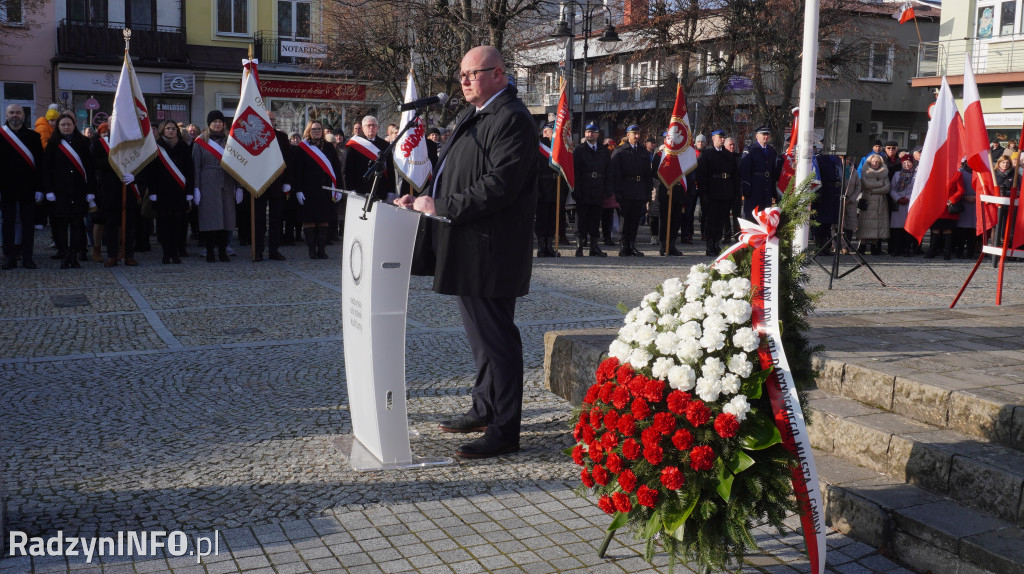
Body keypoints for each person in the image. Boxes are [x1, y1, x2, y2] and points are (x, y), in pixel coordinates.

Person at [395, 45, 537, 459]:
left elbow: (500, 185)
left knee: (498, 341)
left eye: (473, 73)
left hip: (490, 249)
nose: (464, 81)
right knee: (481, 340)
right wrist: (421, 198)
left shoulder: (512, 119)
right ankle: (483, 408)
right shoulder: (476, 116)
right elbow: (448, 174)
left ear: (499, 74)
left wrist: (442, 207)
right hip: (466, 245)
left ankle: (504, 429)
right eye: (461, 75)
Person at [44, 112, 95, 269]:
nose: (66, 127)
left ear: (74, 126)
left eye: (69, 124)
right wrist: (48, 190)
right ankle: (64, 255)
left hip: (79, 191)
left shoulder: (84, 143)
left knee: (77, 225)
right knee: (60, 225)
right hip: (60, 192)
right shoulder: (53, 144)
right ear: (58, 127)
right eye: (63, 125)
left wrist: (90, 190)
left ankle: (74, 255)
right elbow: (46, 169)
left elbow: (90, 168)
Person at [192, 110, 243, 263]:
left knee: (226, 219)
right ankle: (209, 252)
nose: (217, 124)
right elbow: (196, 166)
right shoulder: (201, 141)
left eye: (220, 121)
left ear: (224, 124)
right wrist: (196, 187)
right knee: (210, 219)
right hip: (207, 182)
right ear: (209, 124)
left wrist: (239, 186)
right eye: (214, 121)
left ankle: (223, 251)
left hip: (226, 182)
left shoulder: (230, 141)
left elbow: (237, 165)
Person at [143, 120, 193, 264]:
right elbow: (151, 171)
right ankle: (166, 253)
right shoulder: (156, 147)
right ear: (162, 130)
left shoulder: (184, 147)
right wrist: (152, 191)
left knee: (179, 224)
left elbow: (189, 170)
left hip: (179, 191)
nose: (171, 131)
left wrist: (189, 191)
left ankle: (176, 252)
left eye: (173, 129)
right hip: (162, 192)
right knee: (163, 224)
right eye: (168, 128)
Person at [93, 121, 141, 267]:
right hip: (110, 189)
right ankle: (112, 255)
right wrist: (115, 162)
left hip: (128, 187)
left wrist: (135, 176)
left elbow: (142, 163)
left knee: (129, 225)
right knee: (111, 225)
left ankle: (128, 255)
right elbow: (95, 162)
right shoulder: (100, 143)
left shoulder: (133, 144)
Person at [1, 103, 44, 269]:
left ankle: (27, 256)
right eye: (11, 112)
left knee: (28, 223)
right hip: (6, 188)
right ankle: (9, 256)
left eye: (18, 112)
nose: (14, 115)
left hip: (28, 187)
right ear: (6, 115)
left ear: (23, 115)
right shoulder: (1, 135)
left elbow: (40, 164)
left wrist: (40, 188)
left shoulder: (33, 137)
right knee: (7, 223)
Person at [293, 120, 340, 259]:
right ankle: (312, 250)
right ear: (309, 130)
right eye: (314, 129)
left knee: (323, 220)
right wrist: (298, 190)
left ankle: (321, 249)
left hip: (325, 190)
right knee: (309, 220)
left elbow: (336, 168)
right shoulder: (303, 147)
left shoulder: (329, 147)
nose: (317, 131)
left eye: (319, 128)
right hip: (308, 190)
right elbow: (297, 171)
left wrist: (337, 188)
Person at [609, 124, 651, 256]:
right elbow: (615, 174)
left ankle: (632, 244)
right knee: (625, 218)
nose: (637, 136)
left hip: (639, 189)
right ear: (628, 135)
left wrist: (648, 193)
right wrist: (618, 191)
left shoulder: (643, 152)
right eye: (634, 134)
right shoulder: (620, 151)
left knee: (635, 219)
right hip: (626, 188)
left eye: (638, 134)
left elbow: (647, 174)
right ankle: (623, 245)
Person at [695, 130, 737, 256]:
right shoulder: (707, 154)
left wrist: (733, 192)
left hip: (725, 191)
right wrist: (703, 193)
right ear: (713, 138)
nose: (722, 140)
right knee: (711, 219)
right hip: (711, 191)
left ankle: (717, 242)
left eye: (724, 138)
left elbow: (734, 175)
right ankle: (709, 244)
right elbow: (701, 175)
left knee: (722, 219)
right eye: (720, 138)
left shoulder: (729, 155)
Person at [572, 123, 610, 257]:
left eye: (593, 133)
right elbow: (575, 171)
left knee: (595, 217)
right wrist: (575, 188)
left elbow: (608, 170)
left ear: (598, 135)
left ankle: (594, 247)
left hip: (598, 186)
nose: (590, 135)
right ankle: (579, 246)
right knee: (581, 217)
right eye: (588, 132)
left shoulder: (603, 150)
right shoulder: (579, 150)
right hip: (583, 186)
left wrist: (607, 188)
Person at [651, 134, 691, 256]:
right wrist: (668, 176)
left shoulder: (681, 155)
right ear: (665, 140)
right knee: (664, 220)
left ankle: (672, 244)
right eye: (669, 139)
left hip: (678, 191)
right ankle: (664, 245)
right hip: (666, 190)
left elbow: (687, 172)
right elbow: (654, 172)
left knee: (676, 220)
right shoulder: (660, 155)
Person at [739, 125, 782, 219]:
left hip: (767, 188)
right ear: (757, 136)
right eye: (763, 134)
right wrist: (746, 186)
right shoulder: (750, 149)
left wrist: (774, 191)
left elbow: (774, 171)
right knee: (752, 214)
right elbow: (745, 169)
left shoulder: (771, 151)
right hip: (754, 186)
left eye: (767, 135)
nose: (766, 137)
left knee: (765, 214)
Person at [535, 123, 560, 257]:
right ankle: (541, 247)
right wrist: (537, 189)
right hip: (542, 188)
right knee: (542, 218)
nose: (554, 134)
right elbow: (533, 171)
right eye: (552, 132)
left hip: (554, 186)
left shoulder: (556, 147)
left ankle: (550, 246)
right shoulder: (538, 147)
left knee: (552, 218)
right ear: (545, 132)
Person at [857, 153, 890, 255]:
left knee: (878, 225)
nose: (875, 164)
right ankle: (862, 246)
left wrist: (873, 190)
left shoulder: (884, 173)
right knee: (865, 224)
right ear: (869, 162)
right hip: (868, 201)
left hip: (880, 202)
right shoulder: (865, 172)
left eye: (877, 162)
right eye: (873, 162)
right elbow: (866, 184)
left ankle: (874, 246)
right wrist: (880, 184)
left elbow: (887, 187)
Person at [811, 149, 843, 253]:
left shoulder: (837, 159)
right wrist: (816, 194)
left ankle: (826, 246)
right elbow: (815, 176)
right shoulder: (819, 158)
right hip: (823, 191)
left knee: (828, 223)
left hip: (833, 192)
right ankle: (819, 246)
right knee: (820, 222)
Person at [888, 156, 917, 256]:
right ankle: (896, 249)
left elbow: (917, 189)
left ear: (912, 163)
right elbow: (892, 188)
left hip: (910, 203)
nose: (907, 165)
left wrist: (908, 197)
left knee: (908, 228)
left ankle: (907, 249)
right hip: (898, 204)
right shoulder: (897, 174)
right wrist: (897, 198)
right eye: (904, 163)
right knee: (897, 229)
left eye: (909, 162)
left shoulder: (916, 175)